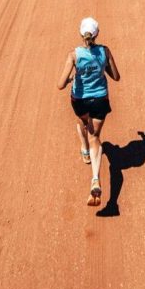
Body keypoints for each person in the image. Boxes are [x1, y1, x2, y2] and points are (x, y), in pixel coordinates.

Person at [57, 17, 120, 206]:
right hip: (100, 100)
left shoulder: (74, 55)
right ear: (97, 34)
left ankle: (84, 150)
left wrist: (71, 79)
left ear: (81, 34)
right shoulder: (105, 51)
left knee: (82, 123)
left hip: (80, 100)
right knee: (96, 138)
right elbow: (116, 76)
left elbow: (60, 85)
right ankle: (95, 179)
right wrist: (102, 68)